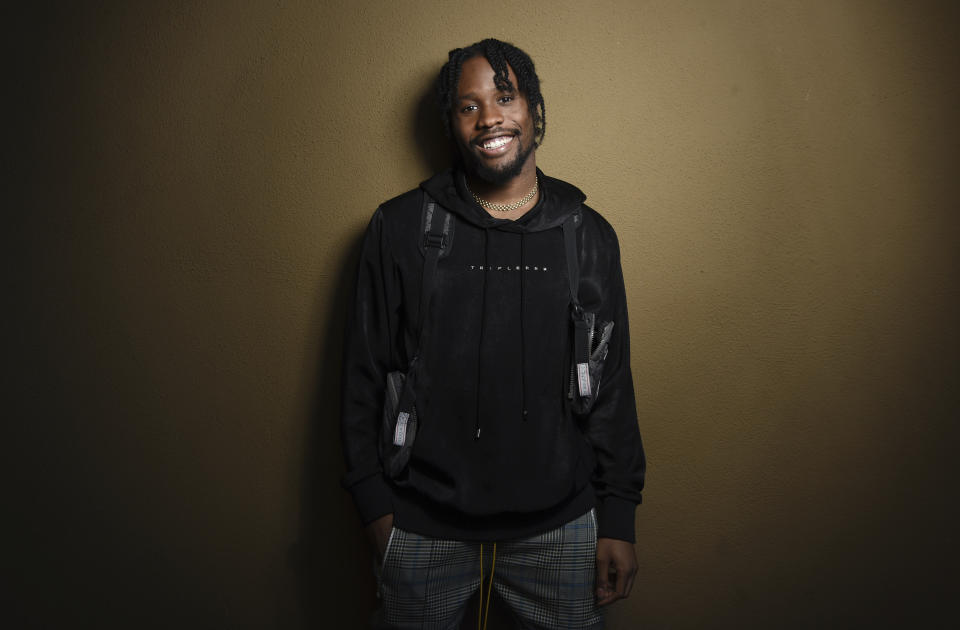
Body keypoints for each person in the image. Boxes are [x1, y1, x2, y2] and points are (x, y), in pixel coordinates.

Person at [340, 38, 645, 629]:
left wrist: (619, 516)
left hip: (561, 530)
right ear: (451, 124)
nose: (489, 119)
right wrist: (374, 509)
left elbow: (612, 388)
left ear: (532, 106)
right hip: (422, 528)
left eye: (504, 97)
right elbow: (363, 373)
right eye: (468, 105)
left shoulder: (587, 234)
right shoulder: (400, 227)